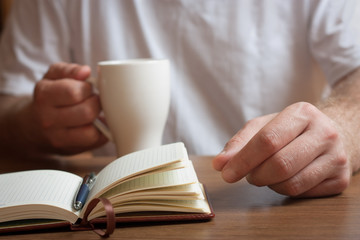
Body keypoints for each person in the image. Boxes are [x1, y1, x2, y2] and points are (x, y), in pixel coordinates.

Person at [1, 0, 360, 198]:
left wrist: (341, 124)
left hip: (257, 199)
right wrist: (32, 121)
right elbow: (8, 105)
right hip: (112, 204)